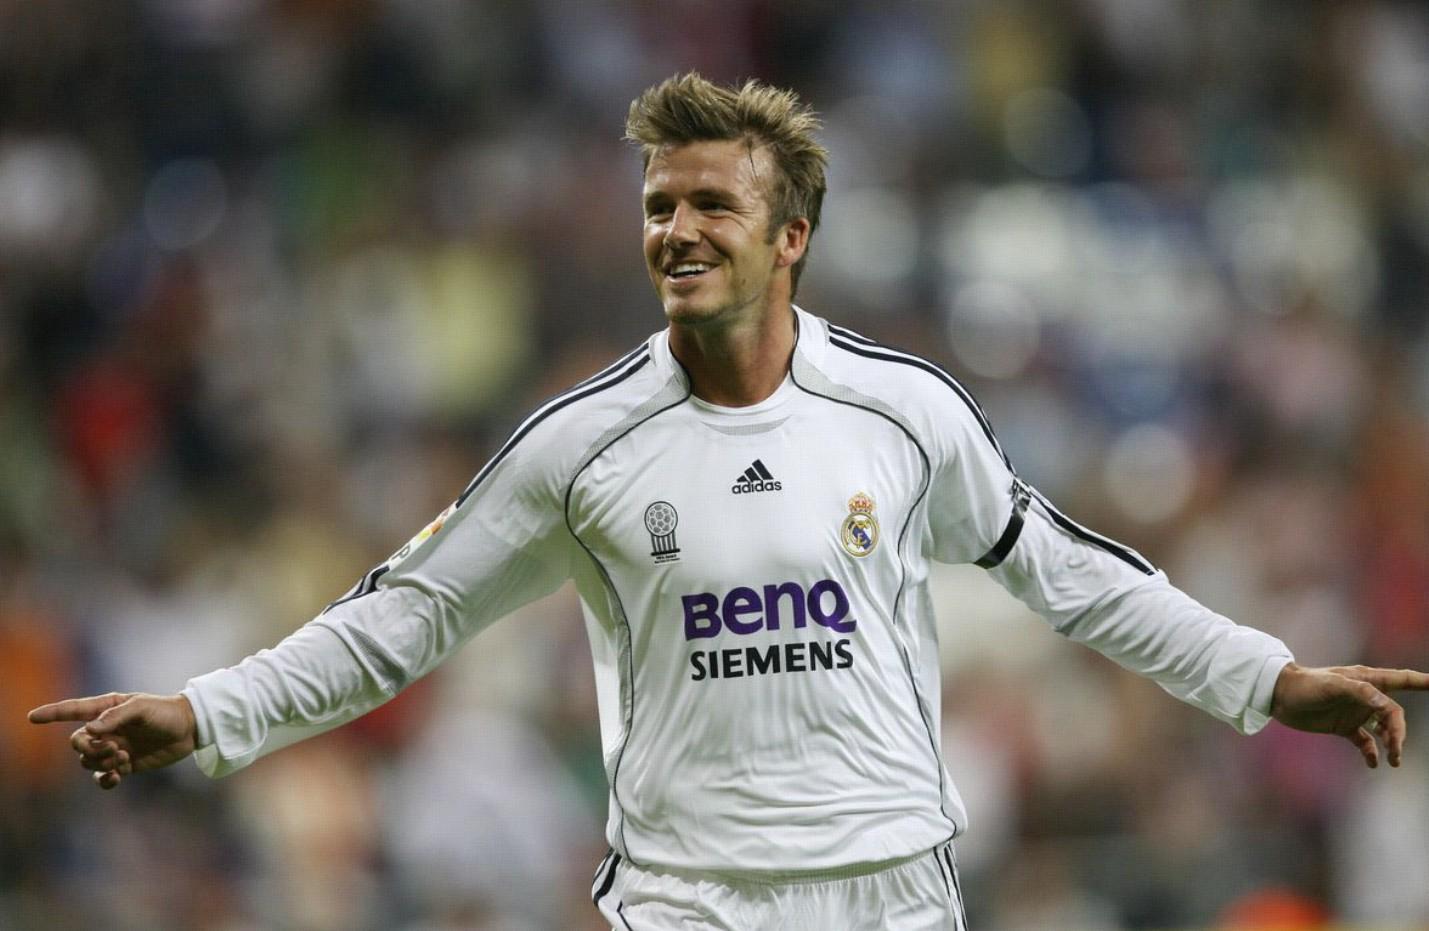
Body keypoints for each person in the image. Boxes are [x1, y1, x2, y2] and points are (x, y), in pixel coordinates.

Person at [28, 73, 1429, 930]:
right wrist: (208, 712)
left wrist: (1268, 679)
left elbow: (1075, 576)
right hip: (689, 904)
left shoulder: (902, 412)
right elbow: (403, 617)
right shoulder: (581, 444)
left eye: (711, 205)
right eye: (660, 206)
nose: (677, 231)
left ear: (791, 235)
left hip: (891, 892)